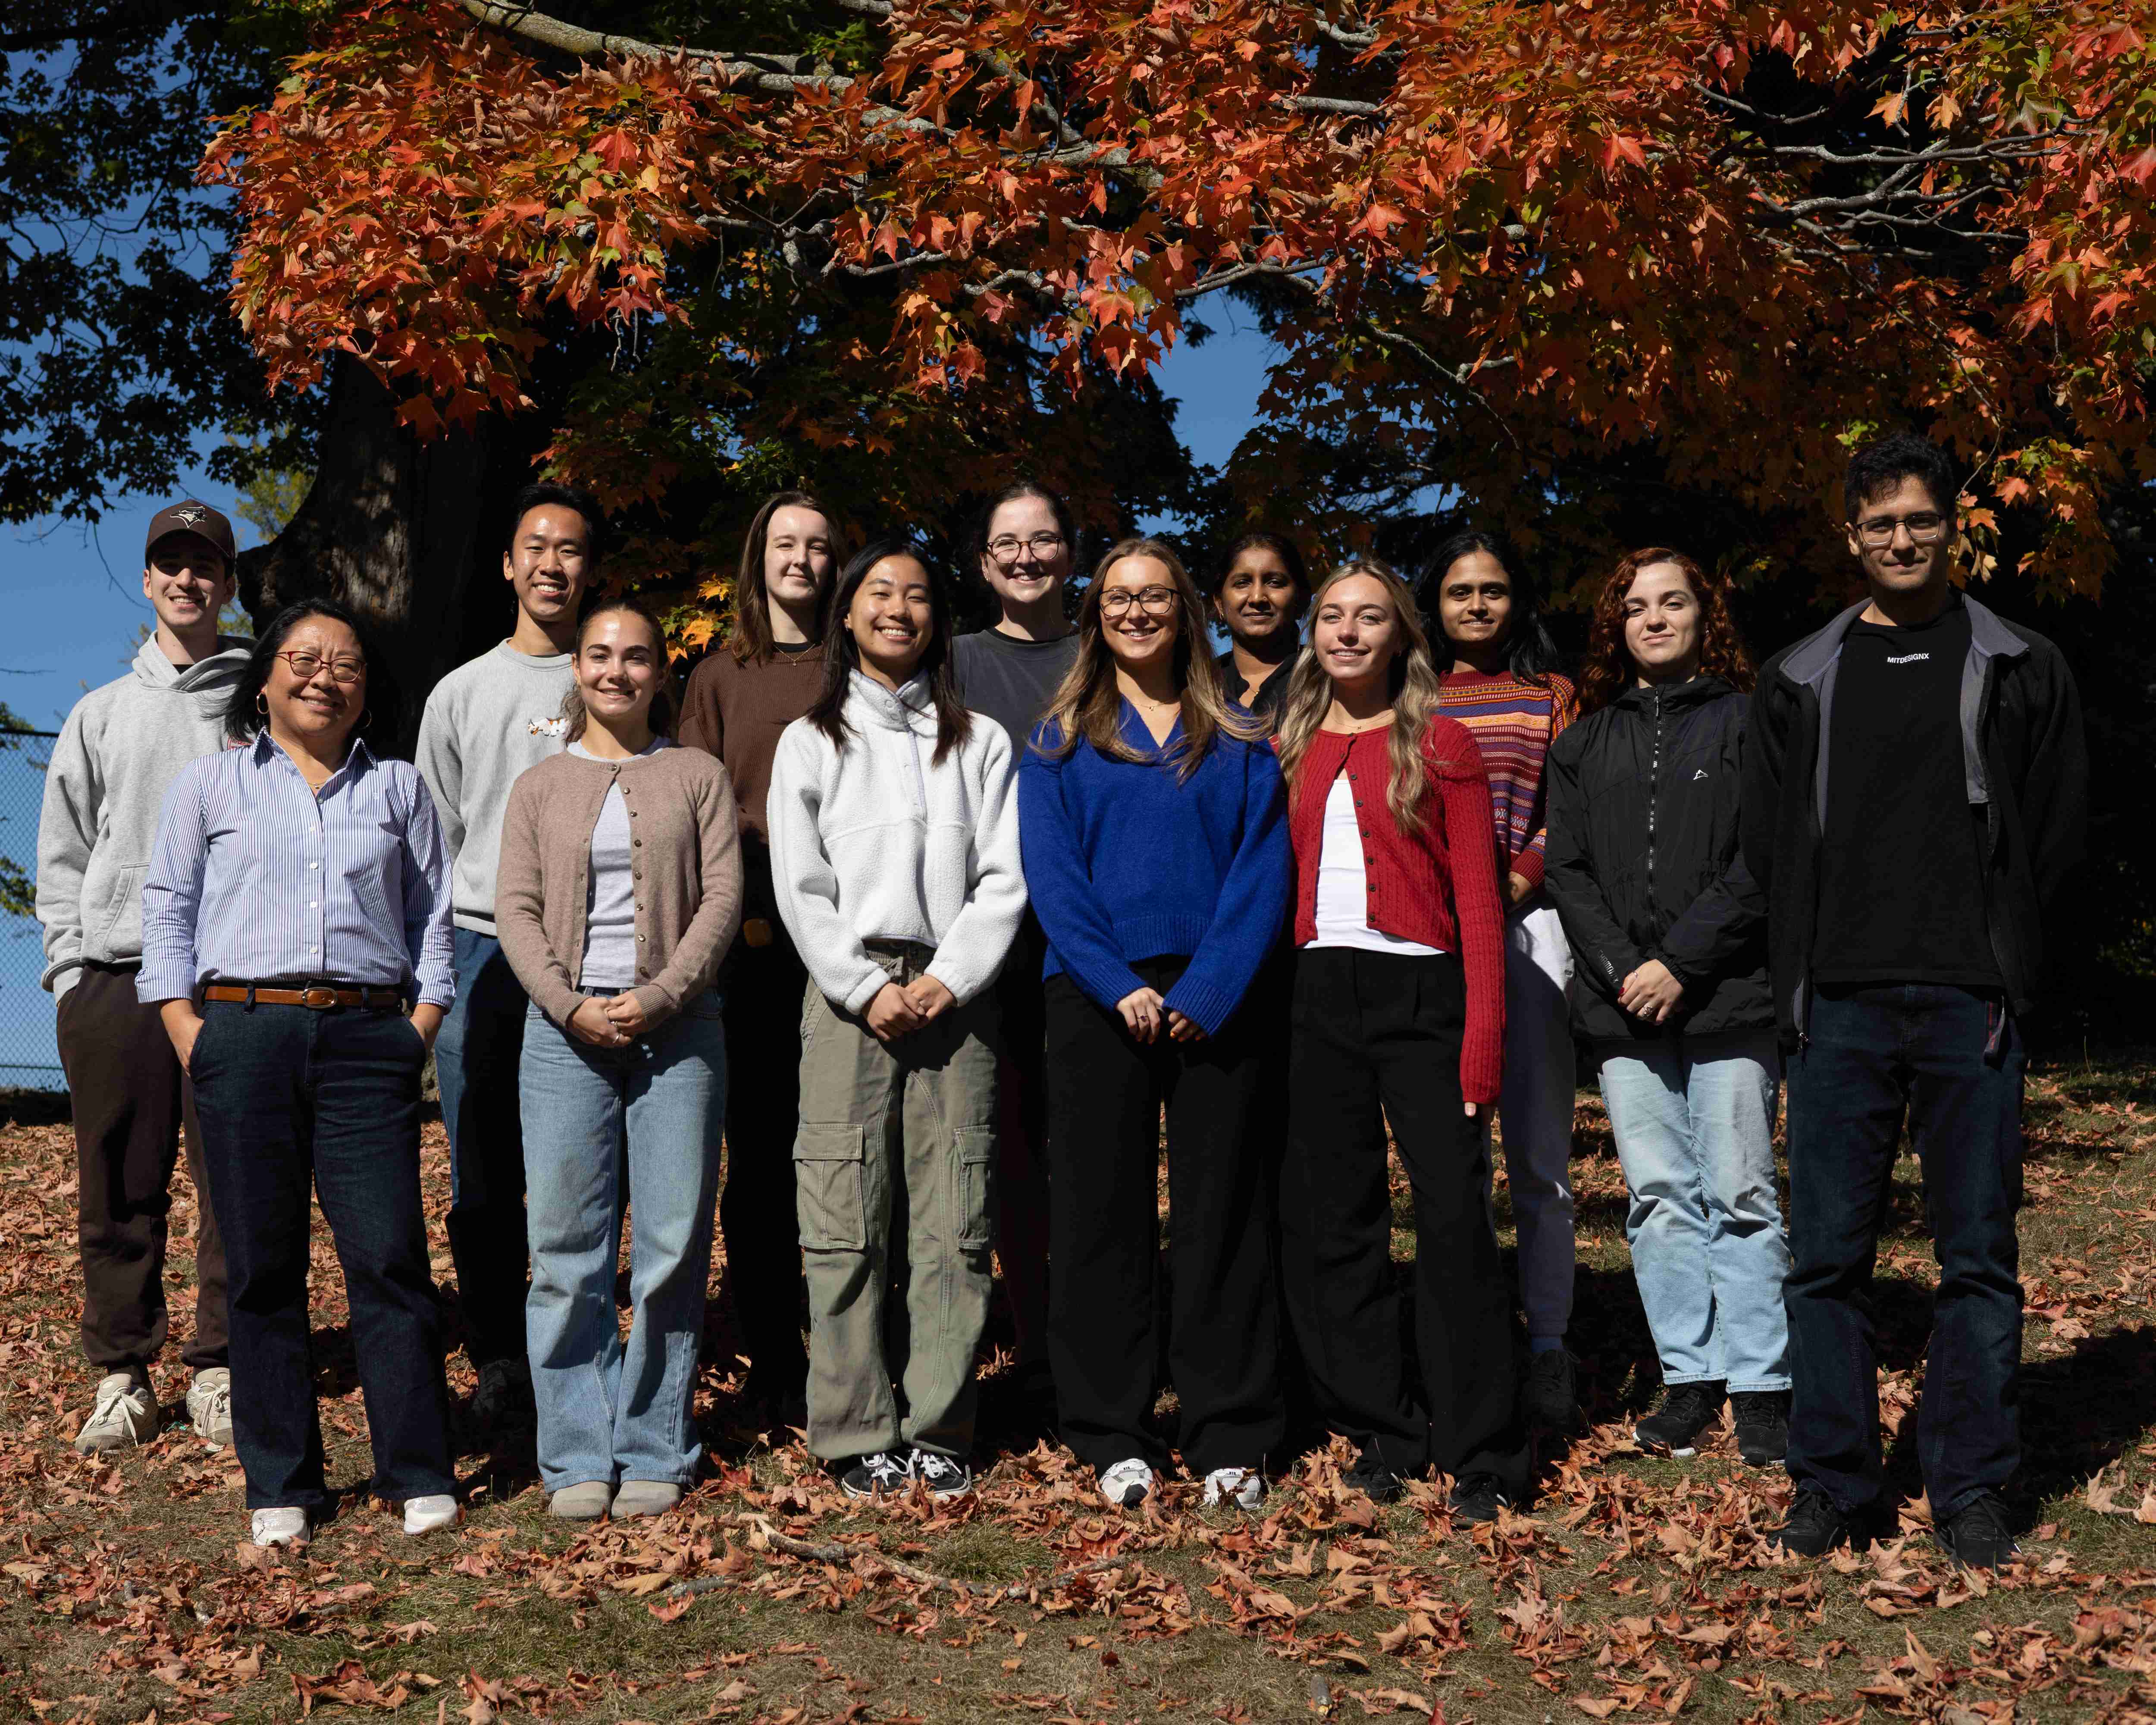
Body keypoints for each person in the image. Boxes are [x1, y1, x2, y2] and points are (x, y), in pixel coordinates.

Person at [1745, 433, 2087, 1569]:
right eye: (1880, 523)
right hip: (1836, 1005)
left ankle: (1973, 1486)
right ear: (1852, 536)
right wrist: (1790, 986)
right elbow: (1771, 846)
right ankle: (1833, 1483)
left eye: (1920, 521)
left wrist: (2018, 972)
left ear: (1954, 529)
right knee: (1825, 1260)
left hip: (1969, 1003)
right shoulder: (1800, 678)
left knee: (1977, 1260)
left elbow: (2057, 834)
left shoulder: (2023, 664)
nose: (1901, 539)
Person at [137, 599, 458, 1549]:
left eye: (347, 662)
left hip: (369, 1039)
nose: (326, 674)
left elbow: (431, 918)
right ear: (267, 676)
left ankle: (417, 1467)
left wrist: (419, 1027)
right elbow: (168, 911)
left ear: (368, 686)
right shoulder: (210, 786)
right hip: (242, 1033)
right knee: (261, 1267)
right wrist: (190, 1030)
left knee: (390, 1258)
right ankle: (282, 1479)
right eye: (304, 657)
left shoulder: (399, 788)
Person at [1018, 536, 1292, 1513]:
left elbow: (1264, 873)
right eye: (1116, 599)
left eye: (1155, 597)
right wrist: (1114, 984)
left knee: (1222, 1213)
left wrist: (1209, 989)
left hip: (1219, 993)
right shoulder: (1058, 741)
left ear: (1187, 609)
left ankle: (1231, 1428)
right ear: (1095, 617)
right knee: (1102, 1217)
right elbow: (1052, 881)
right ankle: (1111, 1429)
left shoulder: (1244, 735)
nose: (1135, 612)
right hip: (1097, 995)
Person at [768, 542, 1028, 1499]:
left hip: (958, 995)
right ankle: (852, 1429)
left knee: (955, 1214)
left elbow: (1005, 876)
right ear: (847, 613)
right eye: (879, 592)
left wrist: (951, 976)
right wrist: (861, 984)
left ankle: (941, 1427)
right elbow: (800, 884)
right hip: (848, 995)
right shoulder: (812, 739)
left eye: (918, 594)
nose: (898, 609)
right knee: (842, 1211)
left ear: (937, 620)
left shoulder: (981, 740)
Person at [1272, 559, 1525, 1518]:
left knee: (1454, 1220)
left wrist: (1484, 1038)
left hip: (1423, 990)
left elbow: (1479, 901)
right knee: (1340, 1222)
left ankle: (1484, 1450)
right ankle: (1383, 1428)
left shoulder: (1442, 741)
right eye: (1330, 614)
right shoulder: (1289, 743)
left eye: (1368, 615)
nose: (1345, 630)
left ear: (1400, 635)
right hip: (1316, 991)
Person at [495, 598, 743, 1520]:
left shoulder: (696, 773)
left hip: (679, 1034)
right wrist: (568, 1003)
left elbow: (721, 898)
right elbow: (514, 908)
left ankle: (653, 1443)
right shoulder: (539, 786)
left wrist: (662, 996)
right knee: (566, 1252)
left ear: (659, 671)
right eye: (599, 654)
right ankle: (573, 1452)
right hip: (562, 1038)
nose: (616, 671)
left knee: (672, 1248)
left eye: (637, 656)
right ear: (577, 669)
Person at [1543, 550, 1789, 1470]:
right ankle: (1692, 1377)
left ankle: (1764, 1384)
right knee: (1657, 1197)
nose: (1653, 618)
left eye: (1672, 601)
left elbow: (1766, 854)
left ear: (1703, 614)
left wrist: (1680, 961)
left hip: (1728, 993)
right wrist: (1622, 967)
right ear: (1618, 625)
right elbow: (1564, 868)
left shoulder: (1747, 721)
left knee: (1739, 1190)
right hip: (1620, 1010)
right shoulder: (1583, 742)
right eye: (1636, 606)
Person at [36, 501, 248, 1456]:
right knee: (119, 1184)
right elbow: (65, 850)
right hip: (117, 973)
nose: (187, 580)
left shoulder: (262, 701)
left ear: (229, 582)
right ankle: (123, 1372)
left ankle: (220, 1367)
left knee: (237, 1180)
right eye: (171, 563)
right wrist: (70, 970)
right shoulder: (102, 712)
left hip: (236, 978)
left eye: (205, 564)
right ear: (151, 579)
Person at [415, 481, 602, 1435]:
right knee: (483, 1167)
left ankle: (582, 1343)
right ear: (507, 563)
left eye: (569, 548)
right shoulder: (462, 691)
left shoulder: (612, 676)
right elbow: (435, 842)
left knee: (582, 1157)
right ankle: (497, 1355)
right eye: (535, 545)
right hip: (481, 941)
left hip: (592, 947)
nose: (551, 563)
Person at [679, 491, 841, 1425]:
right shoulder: (719, 675)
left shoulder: (859, 669)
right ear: (760, 555)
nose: (802, 560)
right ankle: (774, 1350)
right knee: (764, 1145)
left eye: (819, 547)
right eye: (785, 542)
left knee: (850, 1145)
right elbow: (697, 808)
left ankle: (865, 1340)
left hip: (855, 914)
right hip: (752, 921)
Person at [1427, 530, 1584, 1432]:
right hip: (1427, 937)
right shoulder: (1409, 695)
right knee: (1455, 1155)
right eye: (1459, 592)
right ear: (1435, 604)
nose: (1477, 605)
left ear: (1516, 601)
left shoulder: (1550, 696)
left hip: (1526, 929)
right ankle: (1474, 1333)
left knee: (1537, 1154)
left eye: (1492, 589)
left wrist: (1508, 885)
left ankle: (1550, 1343)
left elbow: (1569, 813)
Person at [950, 480, 1081, 1423]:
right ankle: (1033, 1338)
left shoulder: (1106, 653)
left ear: (1069, 553)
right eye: (1009, 542)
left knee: (1091, 1146)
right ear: (984, 561)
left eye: (1043, 540)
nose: (1027, 556)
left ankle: (1093, 1331)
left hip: (1092, 940)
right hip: (987, 938)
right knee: (1010, 1146)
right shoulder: (952, 663)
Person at [1210, 531, 1311, 730]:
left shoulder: (1329, 679)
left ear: (1302, 600)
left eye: (1274, 582)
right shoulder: (1196, 687)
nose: (1257, 597)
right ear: (1220, 604)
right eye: (1242, 583)